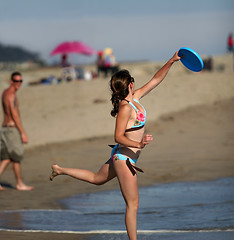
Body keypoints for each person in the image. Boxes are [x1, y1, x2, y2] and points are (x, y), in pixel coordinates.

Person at [50, 52, 180, 239]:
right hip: (124, 160)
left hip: (122, 156)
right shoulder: (125, 108)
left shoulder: (135, 98)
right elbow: (118, 136)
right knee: (132, 204)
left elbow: (155, 80)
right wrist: (139, 143)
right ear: (130, 84)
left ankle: (60, 170)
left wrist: (171, 62)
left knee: (97, 179)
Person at [0, 72, 34, 191]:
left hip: (4, 129)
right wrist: (23, 133)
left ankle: (19, 183)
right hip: (11, 130)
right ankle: (19, 184)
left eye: (20, 81)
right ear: (11, 81)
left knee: (6, 158)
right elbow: (15, 115)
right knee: (16, 157)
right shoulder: (11, 95)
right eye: (16, 81)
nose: (18, 84)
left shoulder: (5, 93)